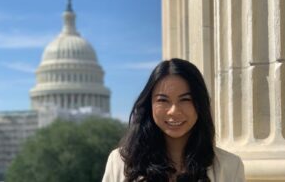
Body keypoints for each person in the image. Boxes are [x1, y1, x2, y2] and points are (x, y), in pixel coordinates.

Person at [102, 58, 245, 182]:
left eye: (185, 99)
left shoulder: (230, 166)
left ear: (200, 104)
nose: (174, 111)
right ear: (149, 105)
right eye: (163, 100)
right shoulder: (119, 163)